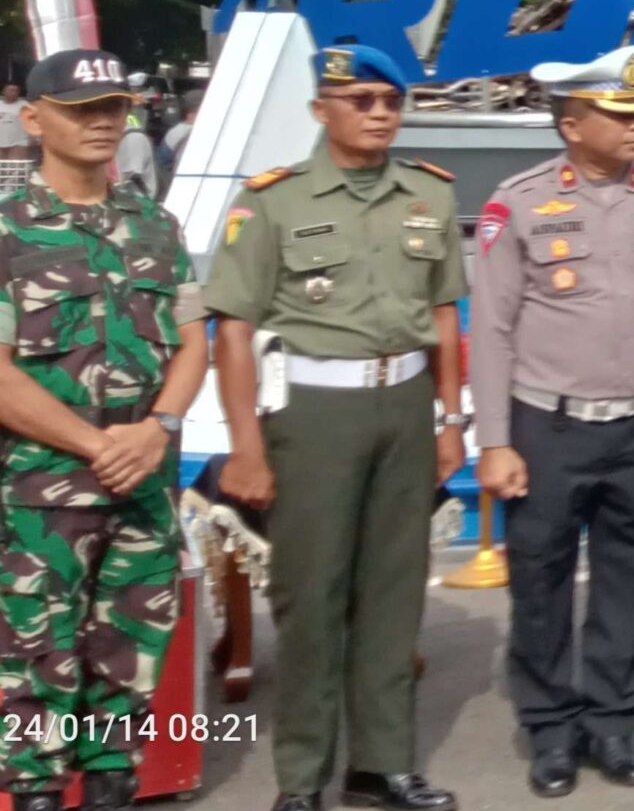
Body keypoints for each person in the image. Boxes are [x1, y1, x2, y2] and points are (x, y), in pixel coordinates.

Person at [206, 44, 466, 811]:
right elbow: (232, 331)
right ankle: (301, 779)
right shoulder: (272, 201)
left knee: (394, 591)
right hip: (314, 413)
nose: (380, 114)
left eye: (392, 101)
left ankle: (383, 764)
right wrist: (246, 446)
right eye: (362, 101)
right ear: (321, 110)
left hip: (405, 405)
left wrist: (452, 420)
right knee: (310, 597)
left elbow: (443, 318)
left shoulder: (429, 194)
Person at [471, 47, 634, 797]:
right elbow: (492, 330)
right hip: (550, 426)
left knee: (632, 575)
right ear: (571, 124)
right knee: (541, 579)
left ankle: (613, 720)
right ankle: (550, 727)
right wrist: (494, 441)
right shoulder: (520, 203)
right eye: (618, 115)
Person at [0, 50, 204, 811]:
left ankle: (113, 783)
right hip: (40, 501)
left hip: (142, 489)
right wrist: (97, 445)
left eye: (113, 107)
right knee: (34, 671)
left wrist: (158, 429)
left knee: (128, 670)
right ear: (33, 119)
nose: (102, 122)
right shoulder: (7, 230)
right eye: (82, 109)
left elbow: (193, 343)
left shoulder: (156, 225)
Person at [0, 83, 29, 163]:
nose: (14, 93)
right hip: (1, 140)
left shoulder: (25, 105)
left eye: (16, 91)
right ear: (4, 91)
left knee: (15, 166)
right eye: (11, 90)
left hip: (19, 142)